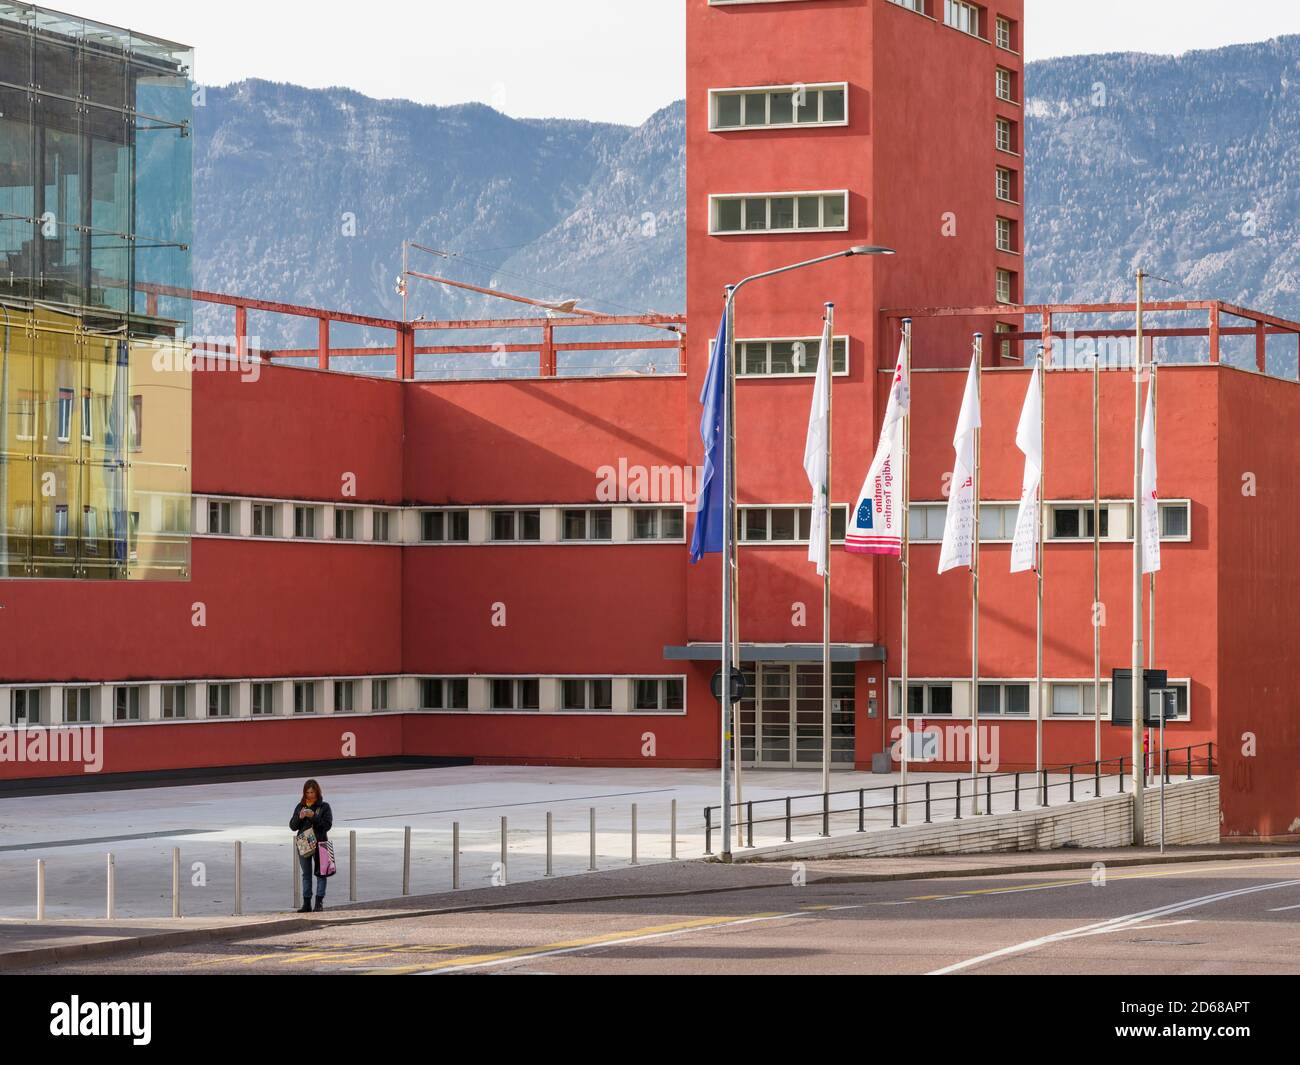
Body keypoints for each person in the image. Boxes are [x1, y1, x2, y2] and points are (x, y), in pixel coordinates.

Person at [290, 779, 333, 912]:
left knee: (321, 873)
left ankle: (319, 902)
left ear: (317, 792)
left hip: (320, 842)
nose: (310, 795)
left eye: (312, 792)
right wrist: (300, 816)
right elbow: (292, 826)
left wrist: (314, 816)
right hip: (304, 842)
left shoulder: (324, 806)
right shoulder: (300, 806)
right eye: (307, 792)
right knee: (306, 874)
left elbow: (327, 826)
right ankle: (306, 903)